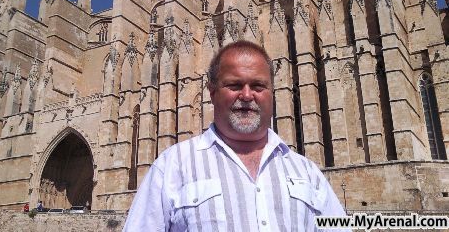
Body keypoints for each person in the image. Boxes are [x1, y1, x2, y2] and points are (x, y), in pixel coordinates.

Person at [123, 40, 349, 231]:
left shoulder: (308, 172)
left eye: (258, 86)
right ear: (212, 93)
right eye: (234, 85)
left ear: (272, 93)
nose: (247, 95)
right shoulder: (172, 166)